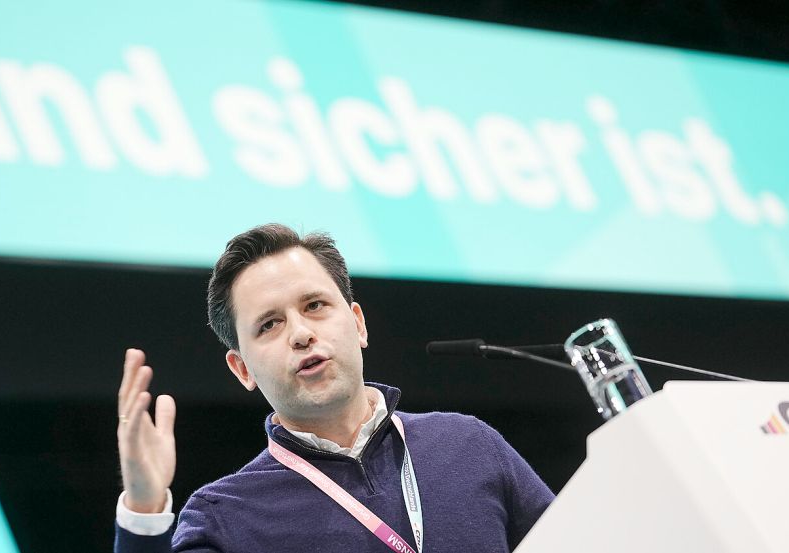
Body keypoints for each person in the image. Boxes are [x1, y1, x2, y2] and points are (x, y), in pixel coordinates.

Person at [114, 223, 555, 553]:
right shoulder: (223, 516)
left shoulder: (468, 445)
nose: (301, 333)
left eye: (315, 306)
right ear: (241, 369)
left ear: (358, 323)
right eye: (270, 324)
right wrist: (144, 513)